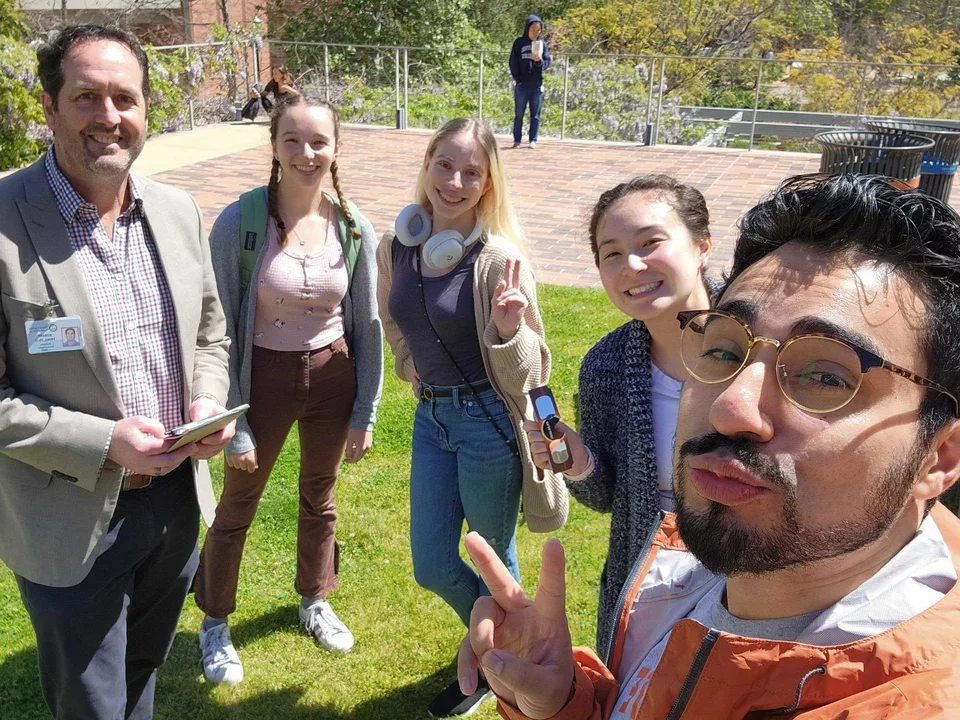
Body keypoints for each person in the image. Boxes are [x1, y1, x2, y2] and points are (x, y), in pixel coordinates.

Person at [459, 173, 960, 719]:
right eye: (723, 353)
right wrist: (564, 703)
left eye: (824, 376)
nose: (732, 407)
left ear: (939, 456)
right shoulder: (678, 579)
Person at [0, 24, 234, 720]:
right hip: (66, 517)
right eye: (86, 97)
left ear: (145, 110)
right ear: (48, 106)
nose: (109, 116)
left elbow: (211, 332)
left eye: (125, 98)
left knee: (139, 681)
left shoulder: (177, 210)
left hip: (175, 505)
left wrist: (210, 403)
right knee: (92, 705)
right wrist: (103, 443)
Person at [377, 117, 567, 717]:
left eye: (470, 172)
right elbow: (392, 318)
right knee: (433, 564)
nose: (453, 182)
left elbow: (534, 371)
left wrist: (510, 333)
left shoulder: (497, 261)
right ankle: (497, 637)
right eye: (444, 165)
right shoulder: (399, 244)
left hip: (487, 425)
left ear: (487, 184)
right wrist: (412, 371)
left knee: (491, 556)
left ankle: (494, 667)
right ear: (427, 164)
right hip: (431, 421)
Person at [194, 94, 383, 685]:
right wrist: (236, 422)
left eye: (318, 141)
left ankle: (314, 599)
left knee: (320, 496)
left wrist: (365, 412)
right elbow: (215, 326)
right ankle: (214, 622)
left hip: (333, 375)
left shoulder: (352, 225)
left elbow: (368, 325)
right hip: (263, 380)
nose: (307, 153)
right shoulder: (240, 221)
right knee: (237, 505)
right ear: (274, 147)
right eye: (292, 140)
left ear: (336, 148)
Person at [524, 176, 714, 656]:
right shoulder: (606, 366)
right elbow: (609, 496)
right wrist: (578, 461)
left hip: (754, 575)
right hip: (648, 574)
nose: (631, 265)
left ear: (702, 247)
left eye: (651, 243)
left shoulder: (765, 342)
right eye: (611, 253)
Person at [510, 15, 551, 149]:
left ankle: (533, 140)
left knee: (535, 116)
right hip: (522, 86)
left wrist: (539, 61)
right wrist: (518, 78)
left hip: (536, 85)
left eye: (538, 30)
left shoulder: (542, 44)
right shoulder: (519, 43)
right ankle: (517, 140)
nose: (535, 32)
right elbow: (513, 62)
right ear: (527, 29)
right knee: (519, 115)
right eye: (533, 29)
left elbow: (547, 62)